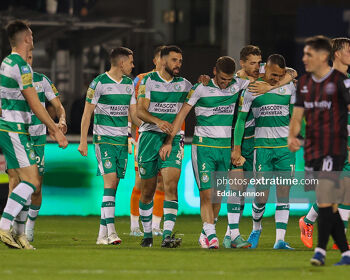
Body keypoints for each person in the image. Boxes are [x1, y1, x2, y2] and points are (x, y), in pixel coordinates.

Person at [0, 20, 68, 249]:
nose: (33, 38)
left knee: (27, 181)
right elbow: (36, 104)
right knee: (30, 180)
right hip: (15, 129)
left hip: (12, 128)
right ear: (27, 39)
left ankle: (19, 236)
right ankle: (4, 226)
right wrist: (56, 130)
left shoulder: (8, 62)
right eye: (31, 35)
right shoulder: (20, 65)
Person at [170, 56, 249, 249]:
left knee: (217, 197)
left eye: (229, 80)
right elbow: (181, 115)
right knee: (206, 194)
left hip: (224, 149)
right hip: (203, 148)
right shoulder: (200, 88)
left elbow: (267, 71)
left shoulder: (237, 84)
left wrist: (291, 74)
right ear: (214, 71)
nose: (225, 84)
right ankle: (212, 235)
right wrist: (168, 142)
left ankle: (206, 233)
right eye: (222, 79)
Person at [289, 35, 350, 266]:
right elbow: (298, 115)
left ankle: (324, 250)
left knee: (333, 198)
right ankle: (338, 251)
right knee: (329, 201)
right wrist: (293, 135)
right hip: (317, 148)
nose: (304, 58)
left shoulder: (343, 81)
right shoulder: (305, 83)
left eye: (308, 55)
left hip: (338, 146)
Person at [233, 54, 296, 250]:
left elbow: (295, 115)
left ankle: (279, 240)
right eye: (273, 74)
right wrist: (236, 148)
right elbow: (241, 121)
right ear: (264, 69)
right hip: (262, 149)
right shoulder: (252, 88)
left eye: (280, 75)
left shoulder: (289, 86)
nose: (276, 78)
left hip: (285, 149)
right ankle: (256, 228)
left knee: (284, 193)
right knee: (261, 195)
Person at [78, 47, 137, 245]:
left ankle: (101, 235)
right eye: (130, 61)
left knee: (113, 187)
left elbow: (133, 114)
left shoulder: (129, 84)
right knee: (110, 183)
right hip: (103, 140)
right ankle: (112, 232)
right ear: (121, 63)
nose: (132, 65)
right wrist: (83, 141)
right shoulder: (98, 83)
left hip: (122, 141)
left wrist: (147, 126)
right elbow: (87, 114)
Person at [137, 45, 192, 247]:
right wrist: (158, 122)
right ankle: (148, 234)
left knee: (171, 185)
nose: (178, 64)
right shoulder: (148, 81)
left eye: (180, 60)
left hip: (173, 139)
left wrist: (205, 81)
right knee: (147, 191)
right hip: (149, 137)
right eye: (174, 60)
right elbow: (140, 112)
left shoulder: (185, 85)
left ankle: (167, 235)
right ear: (163, 60)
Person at [130, 46, 168, 237]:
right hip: (144, 138)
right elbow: (133, 108)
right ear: (155, 60)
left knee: (161, 183)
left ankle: (155, 225)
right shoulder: (141, 79)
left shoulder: (173, 82)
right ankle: (134, 225)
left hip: (165, 138)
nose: (164, 62)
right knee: (141, 182)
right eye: (162, 59)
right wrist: (135, 134)